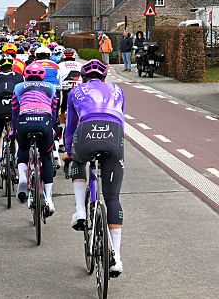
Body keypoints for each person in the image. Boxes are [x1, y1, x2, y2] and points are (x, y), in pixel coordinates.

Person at [65, 59, 126, 277]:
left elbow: (71, 128)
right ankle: (116, 258)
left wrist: (68, 152)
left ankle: (81, 211)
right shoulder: (118, 90)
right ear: (104, 77)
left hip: (87, 133)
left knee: (78, 161)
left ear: (83, 78)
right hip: (114, 136)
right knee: (112, 197)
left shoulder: (76, 91)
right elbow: (122, 122)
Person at [11, 62, 59, 216]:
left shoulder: (19, 87)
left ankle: (23, 177)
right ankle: (49, 199)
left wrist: (15, 130)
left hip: (24, 120)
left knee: (23, 148)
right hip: (44, 120)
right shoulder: (51, 88)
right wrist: (51, 127)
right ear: (43, 75)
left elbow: (14, 111)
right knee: (46, 156)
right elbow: (54, 111)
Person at [0, 53, 23, 189]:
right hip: (14, 107)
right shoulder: (20, 76)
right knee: (19, 138)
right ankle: (19, 168)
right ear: (12, 66)